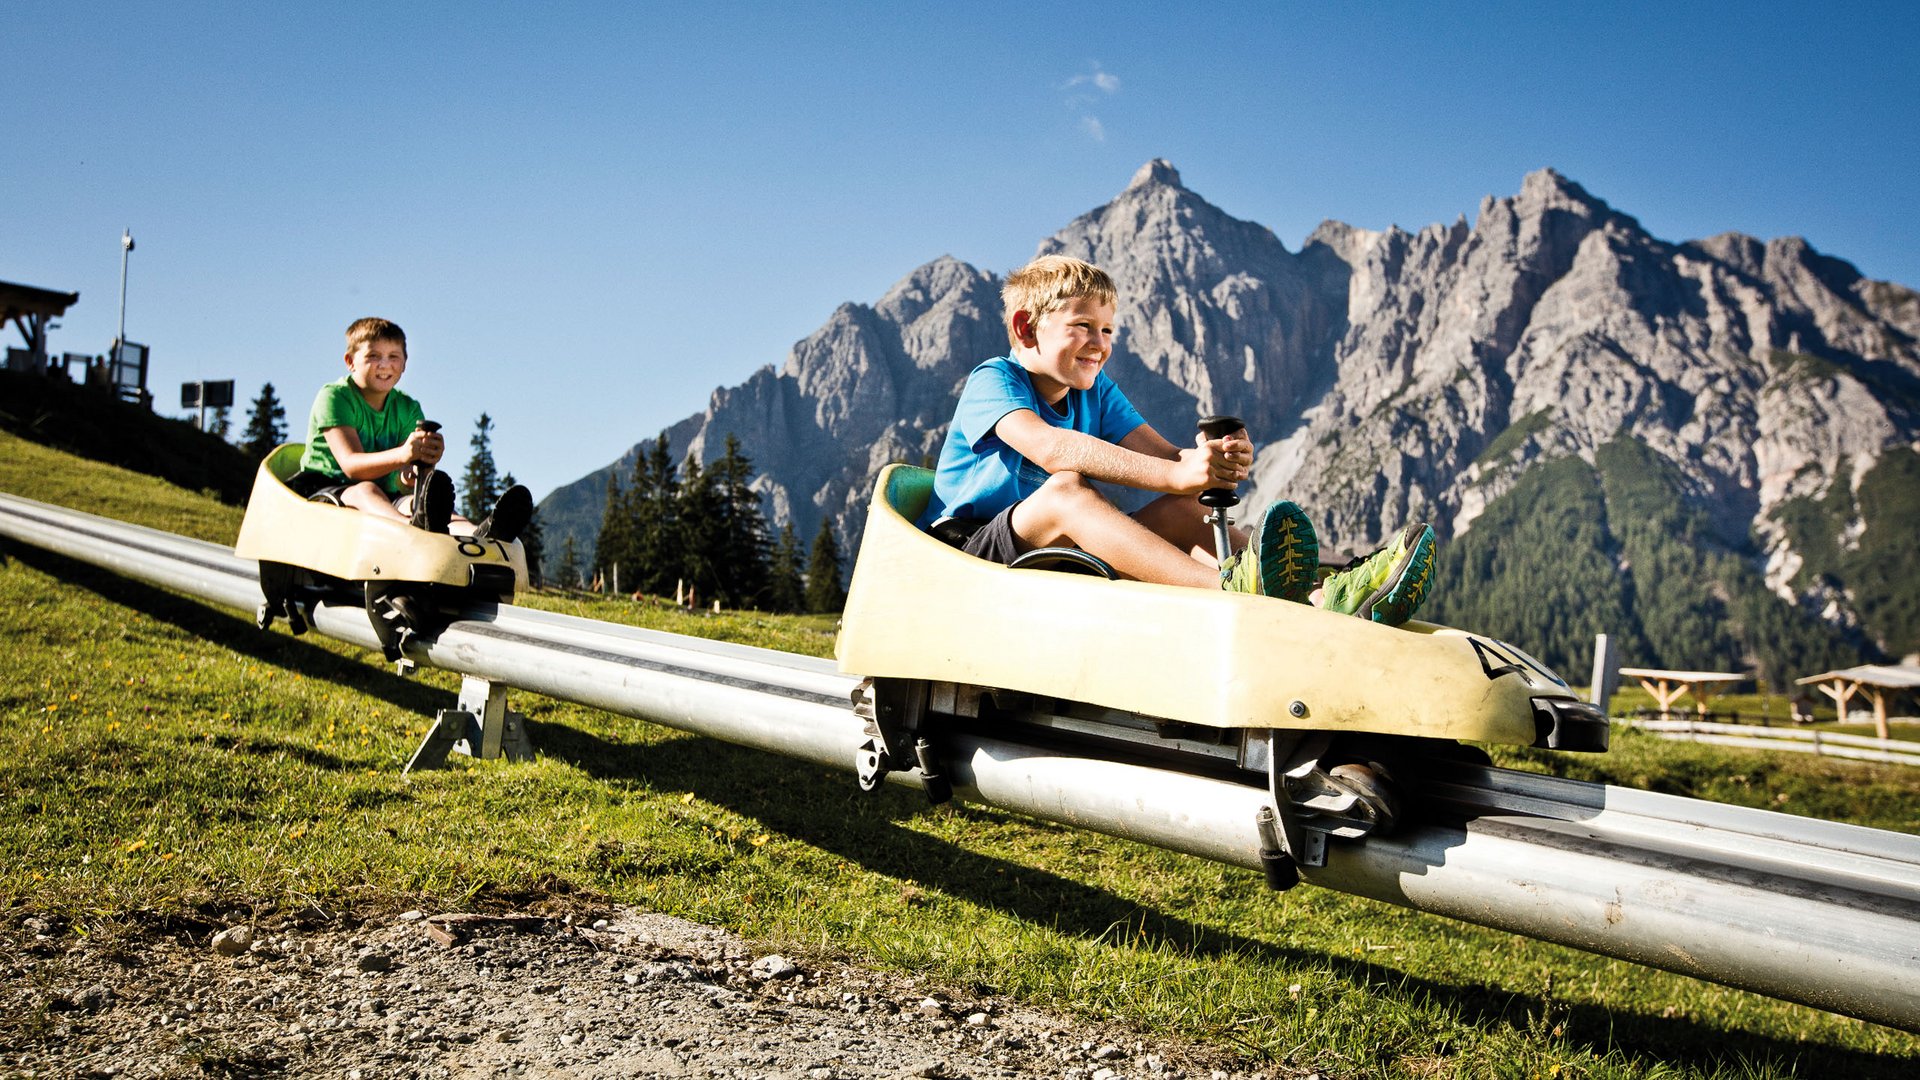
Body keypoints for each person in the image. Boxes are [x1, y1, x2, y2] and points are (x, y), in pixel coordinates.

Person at [919, 255, 1435, 626]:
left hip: (1053, 553)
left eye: (1109, 330)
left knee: (1187, 504)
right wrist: (1175, 472)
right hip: (967, 557)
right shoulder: (995, 379)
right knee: (1066, 489)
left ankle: (1326, 596)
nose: (1100, 344)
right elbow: (1053, 450)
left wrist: (1210, 465)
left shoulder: (1097, 391)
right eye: (1084, 326)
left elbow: (1167, 458)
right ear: (1025, 329)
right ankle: (1236, 592)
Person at [293, 317, 531, 543]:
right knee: (366, 490)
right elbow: (351, 466)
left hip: (384, 494)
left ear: (405, 363)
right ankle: (410, 531)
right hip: (325, 487)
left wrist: (414, 471)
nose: (384, 364)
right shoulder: (335, 397)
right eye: (373, 356)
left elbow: (402, 475)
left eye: (393, 356)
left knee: (418, 504)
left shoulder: (407, 408)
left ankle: (480, 535)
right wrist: (403, 455)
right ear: (350, 361)